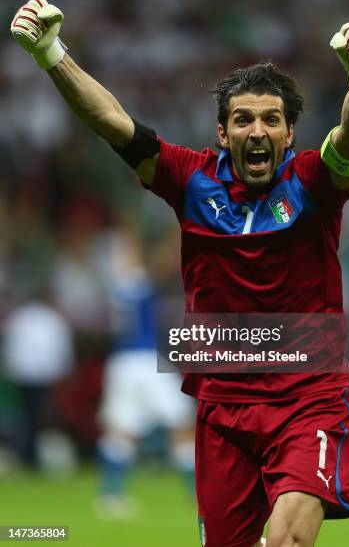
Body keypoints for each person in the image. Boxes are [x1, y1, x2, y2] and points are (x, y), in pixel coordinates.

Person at [10, 0, 349, 547]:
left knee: (286, 541)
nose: (258, 131)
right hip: (222, 408)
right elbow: (114, 123)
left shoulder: (313, 184)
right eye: (244, 119)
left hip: (309, 400)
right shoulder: (191, 180)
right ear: (223, 133)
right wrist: (51, 54)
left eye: (271, 120)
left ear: (290, 136)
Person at [96, 220, 195, 517]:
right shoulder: (136, 280)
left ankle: (110, 497)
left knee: (121, 430)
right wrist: (181, 229)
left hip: (121, 362)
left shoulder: (116, 284)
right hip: (145, 360)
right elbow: (162, 263)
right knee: (181, 423)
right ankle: (196, 494)